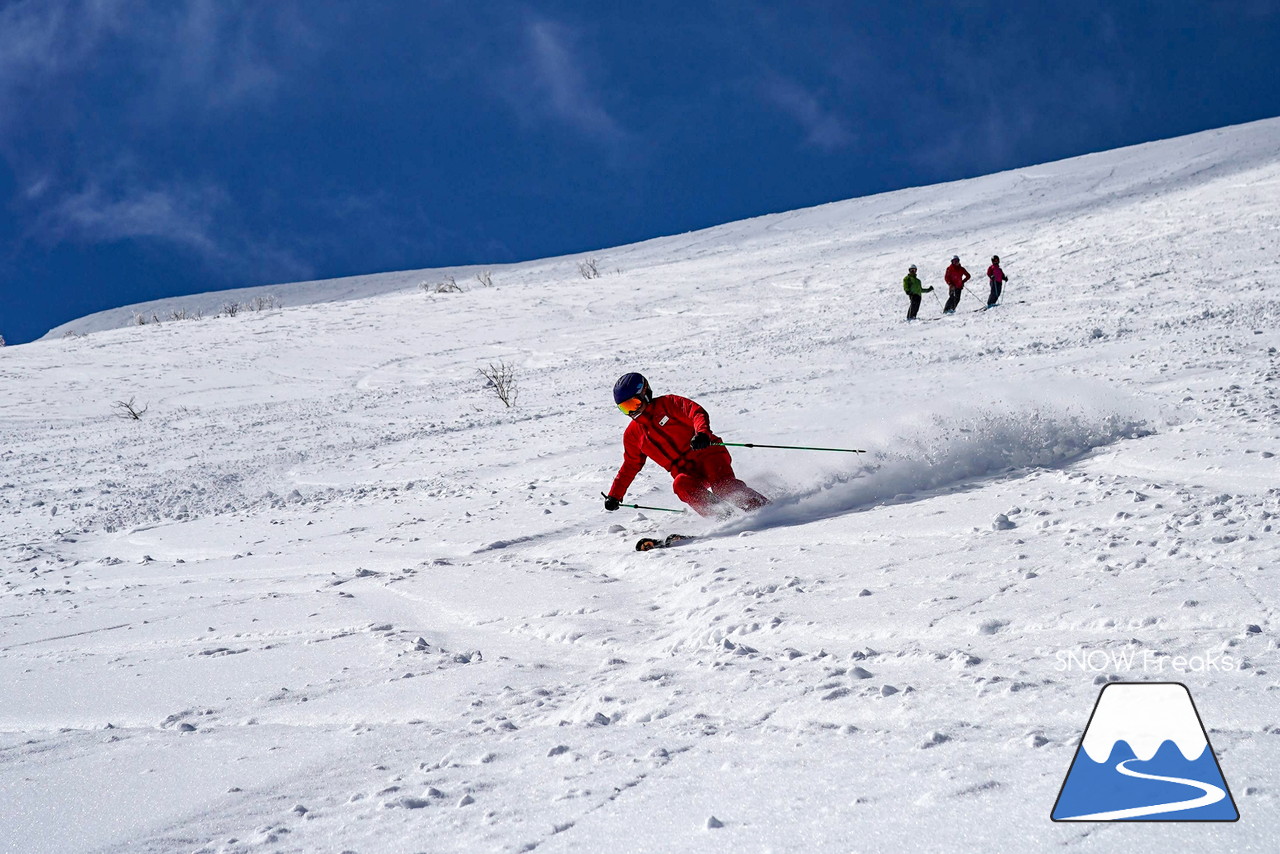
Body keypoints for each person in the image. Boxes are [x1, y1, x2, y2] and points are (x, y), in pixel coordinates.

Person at [604, 372, 769, 518]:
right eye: (625, 408)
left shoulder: (667, 404)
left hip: (707, 454)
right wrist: (615, 495)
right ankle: (722, 517)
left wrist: (702, 433)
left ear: (645, 393)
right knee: (680, 484)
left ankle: (766, 509)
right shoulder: (633, 435)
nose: (632, 412)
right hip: (686, 472)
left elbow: (695, 412)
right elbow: (630, 466)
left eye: (634, 404)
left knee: (723, 488)